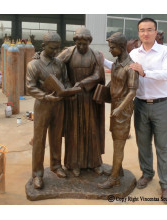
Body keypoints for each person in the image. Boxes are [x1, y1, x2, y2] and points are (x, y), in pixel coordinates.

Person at [104, 17, 167, 204]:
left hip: (160, 105)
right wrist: (101, 59)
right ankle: (147, 174)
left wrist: (145, 72)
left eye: (149, 30)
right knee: (143, 144)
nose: (145, 33)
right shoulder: (134, 52)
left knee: (163, 146)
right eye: (142, 30)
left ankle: (166, 185)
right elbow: (120, 67)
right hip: (141, 105)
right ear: (138, 33)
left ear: (156, 32)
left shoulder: (165, 51)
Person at [26, 32, 72, 189]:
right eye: (52, 48)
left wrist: (65, 90)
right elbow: (30, 87)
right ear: (43, 46)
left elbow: (66, 81)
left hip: (59, 105)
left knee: (56, 137)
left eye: (58, 49)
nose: (55, 52)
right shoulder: (34, 65)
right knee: (39, 141)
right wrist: (46, 96)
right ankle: (37, 174)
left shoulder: (59, 63)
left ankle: (56, 165)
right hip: (43, 106)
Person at [58, 27, 105, 177]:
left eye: (84, 44)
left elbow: (98, 74)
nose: (81, 47)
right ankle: (74, 164)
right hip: (72, 98)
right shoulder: (68, 52)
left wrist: (83, 83)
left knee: (92, 130)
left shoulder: (96, 55)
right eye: (79, 44)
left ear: (90, 42)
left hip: (89, 99)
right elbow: (55, 65)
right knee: (74, 131)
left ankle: (94, 163)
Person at [97, 32, 139, 189]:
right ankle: (118, 169)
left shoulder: (131, 67)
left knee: (118, 143)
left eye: (112, 47)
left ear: (121, 47)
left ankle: (114, 178)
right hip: (115, 106)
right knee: (115, 138)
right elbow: (113, 84)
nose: (110, 50)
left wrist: (120, 108)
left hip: (123, 109)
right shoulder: (115, 65)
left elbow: (132, 91)